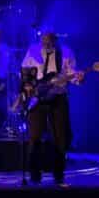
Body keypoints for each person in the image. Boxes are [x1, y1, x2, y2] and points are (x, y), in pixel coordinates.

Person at [20, 31, 83, 187]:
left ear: (55, 40)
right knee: (35, 137)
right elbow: (24, 72)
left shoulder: (66, 52)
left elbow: (72, 74)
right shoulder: (32, 51)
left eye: (49, 41)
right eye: (43, 41)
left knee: (60, 138)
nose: (46, 44)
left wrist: (79, 78)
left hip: (58, 97)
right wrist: (28, 86)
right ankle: (34, 176)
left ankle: (59, 175)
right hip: (37, 99)